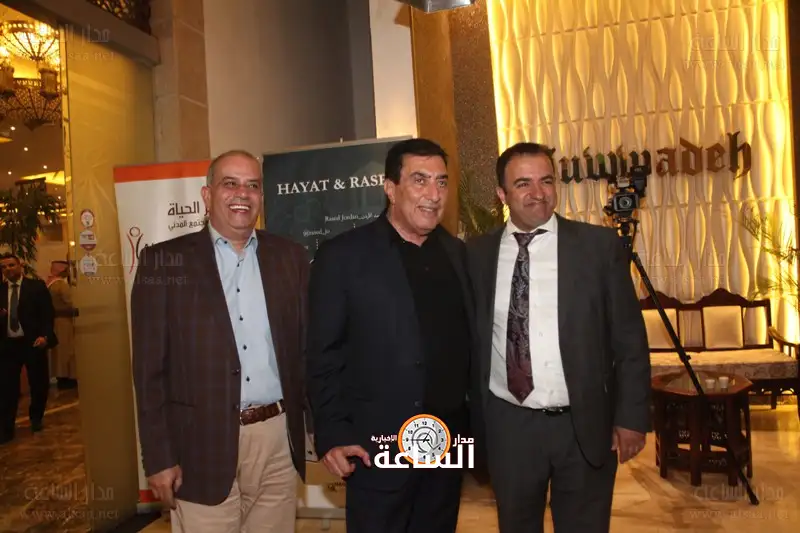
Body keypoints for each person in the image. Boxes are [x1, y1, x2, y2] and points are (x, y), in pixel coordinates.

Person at [465, 142, 652, 533]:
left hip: (582, 425)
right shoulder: (476, 255)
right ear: (502, 194)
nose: (538, 192)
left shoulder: (598, 247)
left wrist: (632, 418)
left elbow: (629, 339)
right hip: (509, 426)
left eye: (546, 181)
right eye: (523, 184)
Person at [131, 150, 309, 532]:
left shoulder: (290, 258)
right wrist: (158, 457)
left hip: (276, 441)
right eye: (230, 183)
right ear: (207, 195)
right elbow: (148, 374)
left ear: (261, 196)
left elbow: (306, 352)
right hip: (199, 447)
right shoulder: (163, 263)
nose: (242, 193)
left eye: (252, 185)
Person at [306, 138, 478, 533]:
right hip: (377, 446)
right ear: (390, 188)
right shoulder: (343, 257)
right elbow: (322, 355)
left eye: (441, 182)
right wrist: (333, 433)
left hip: (446, 447)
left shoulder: (457, 254)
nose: (433, 194)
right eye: (420, 180)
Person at [0, 253, 56, 443]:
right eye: (4, 267)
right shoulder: (1, 290)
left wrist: (45, 336)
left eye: (11, 265)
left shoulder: (36, 287)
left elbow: (47, 314)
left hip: (32, 343)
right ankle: (6, 428)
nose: (8, 269)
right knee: (7, 387)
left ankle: (36, 417)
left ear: (20, 266)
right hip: (8, 345)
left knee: (39, 384)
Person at [46, 260, 77, 389]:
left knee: (57, 351)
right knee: (66, 349)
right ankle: (68, 376)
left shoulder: (50, 284)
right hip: (64, 321)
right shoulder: (61, 285)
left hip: (53, 321)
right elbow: (70, 302)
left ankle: (60, 375)